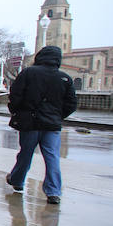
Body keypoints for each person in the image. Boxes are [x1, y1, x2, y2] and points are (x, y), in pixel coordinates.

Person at [6, 45, 77, 204]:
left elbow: (16, 95)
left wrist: (17, 112)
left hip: (30, 122)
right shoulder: (64, 78)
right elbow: (72, 103)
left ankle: (17, 180)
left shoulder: (29, 73)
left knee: (26, 153)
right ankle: (53, 191)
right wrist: (57, 116)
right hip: (52, 125)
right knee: (52, 156)